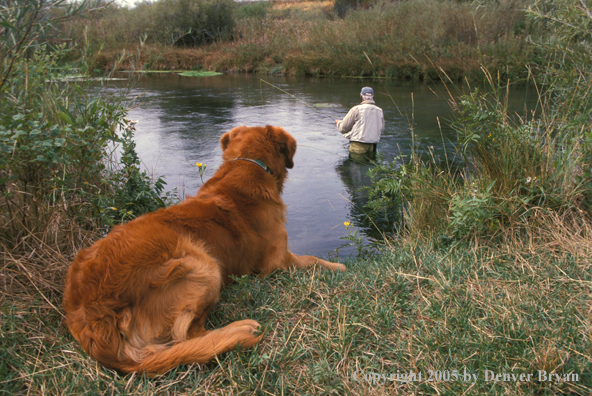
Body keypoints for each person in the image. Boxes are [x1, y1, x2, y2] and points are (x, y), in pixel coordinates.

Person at [335, 86, 384, 160]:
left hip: (358, 146)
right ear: (373, 96)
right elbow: (382, 128)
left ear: (361, 96)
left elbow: (343, 128)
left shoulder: (356, 109)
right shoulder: (380, 111)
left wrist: (338, 122)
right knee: (370, 169)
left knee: (356, 167)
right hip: (373, 146)